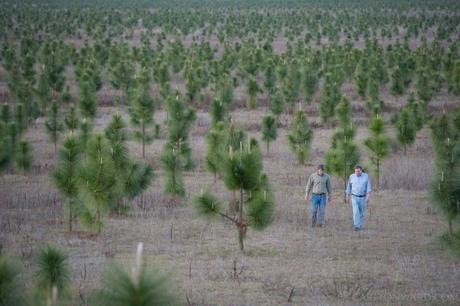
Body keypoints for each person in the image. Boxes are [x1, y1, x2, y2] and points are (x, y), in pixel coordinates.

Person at [345, 165, 372, 231]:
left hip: (362, 197)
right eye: (356, 171)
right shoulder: (351, 176)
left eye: (359, 171)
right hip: (354, 196)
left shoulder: (366, 176)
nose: (357, 173)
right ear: (354, 171)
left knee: (361, 212)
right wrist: (347, 196)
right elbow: (349, 187)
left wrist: (368, 197)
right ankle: (356, 226)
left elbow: (368, 187)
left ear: (361, 171)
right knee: (356, 211)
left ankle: (360, 225)